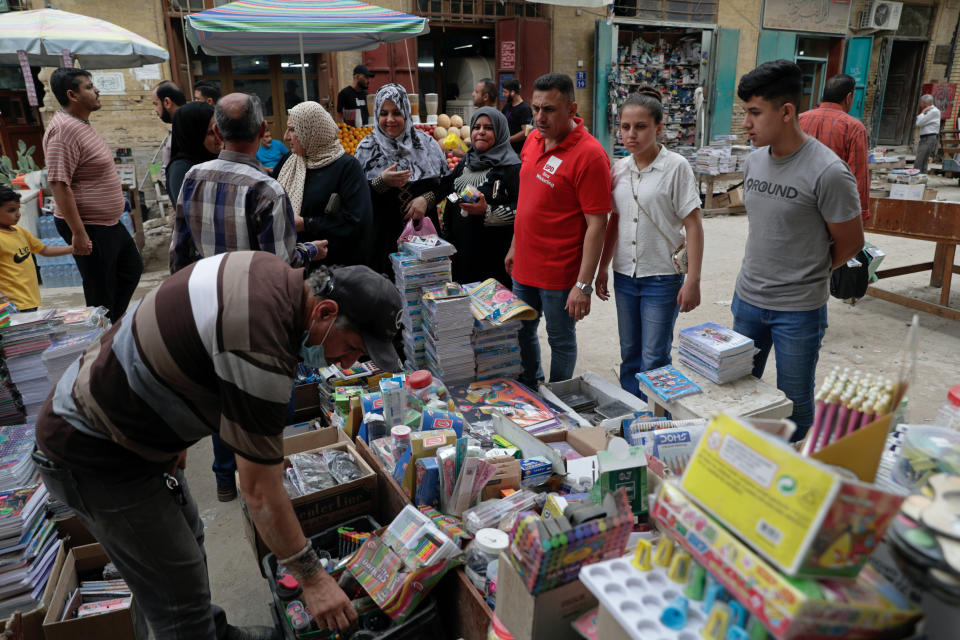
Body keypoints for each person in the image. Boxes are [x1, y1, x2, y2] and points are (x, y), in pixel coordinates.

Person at [35, 250, 404, 640]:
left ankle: (213, 633)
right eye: (352, 349)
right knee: (175, 595)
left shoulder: (275, 276)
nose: (347, 366)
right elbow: (260, 492)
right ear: (325, 313)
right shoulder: (262, 344)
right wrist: (312, 578)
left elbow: (189, 339)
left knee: (183, 554)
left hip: (128, 427)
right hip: (96, 452)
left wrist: (170, 432)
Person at [170, 93, 328, 502]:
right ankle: (264, 482)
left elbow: (179, 255)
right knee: (266, 402)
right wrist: (311, 251)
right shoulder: (267, 189)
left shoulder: (193, 177)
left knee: (221, 398)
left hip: (206, 307)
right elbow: (277, 272)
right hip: (254, 317)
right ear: (262, 132)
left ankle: (226, 480)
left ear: (217, 132)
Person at [734, 60, 864, 441]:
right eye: (746, 113)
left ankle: (785, 481)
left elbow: (852, 242)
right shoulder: (754, 161)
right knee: (739, 395)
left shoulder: (828, 172)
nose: (746, 124)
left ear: (787, 112)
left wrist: (808, 274)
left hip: (798, 311)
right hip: (747, 300)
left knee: (794, 407)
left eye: (755, 113)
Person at [596, 88, 704, 398]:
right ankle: (633, 409)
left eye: (640, 127)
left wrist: (693, 280)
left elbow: (693, 225)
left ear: (658, 128)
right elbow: (613, 221)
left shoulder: (676, 167)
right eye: (625, 127)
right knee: (630, 352)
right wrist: (602, 266)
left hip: (662, 277)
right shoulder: (619, 169)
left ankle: (655, 416)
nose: (631, 134)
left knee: (655, 355)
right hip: (625, 276)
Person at [504, 73, 610, 388]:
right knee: (521, 331)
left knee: (559, 338)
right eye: (536, 108)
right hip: (524, 266)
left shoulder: (590, 155)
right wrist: (514, 245)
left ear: (571, 108)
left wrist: (584, 285)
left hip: (559, 273)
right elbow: (526, 200)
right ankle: (533, 384)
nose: (539, 117)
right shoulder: (533, 140)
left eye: (549, 109)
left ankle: (560, 393)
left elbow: (597, 225)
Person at [43, 68, 143, 323]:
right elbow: (59, 184)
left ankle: (112, 325)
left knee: (130, 269)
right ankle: (100, 342)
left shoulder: (80, 124)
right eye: (88, 87)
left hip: (107, 223)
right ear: (72, 95)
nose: (96, 90)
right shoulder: (63, 131)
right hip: (88, 225)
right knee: (100, 290)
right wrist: (78, 233)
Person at [354, 83, 449, 276]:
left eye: (396, 112)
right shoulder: (366, 148)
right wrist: (381, 182)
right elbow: (355, 195)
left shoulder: (426, 144)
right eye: (384, 113)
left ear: (406, 112)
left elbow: (447, 183)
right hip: (383, 239)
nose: (390, 119)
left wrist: (427, 199)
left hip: (423, 237)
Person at [275, 101, 373, 268]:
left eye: (292, 129)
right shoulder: (289, 162)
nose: (285, 136)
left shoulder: (346, 167)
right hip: (295, 266)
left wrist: (306, 224)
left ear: (311, 132)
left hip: (335, 269)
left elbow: (356, 221)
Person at [440, 107, 520, 287]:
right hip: (461, 254)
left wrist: (488, 211)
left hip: (494, 257)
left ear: (500, 132)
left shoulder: (512, 168)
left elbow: (523, 210)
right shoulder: (466, 162)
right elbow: (452, 192)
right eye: (476, 127)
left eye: (489, 128)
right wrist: (454, 203)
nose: (481, 132)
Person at [798, 74, 870, 220]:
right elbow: (858, 176)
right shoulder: (854, 127)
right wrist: (861, 214)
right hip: (832, 207)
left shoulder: (799, 119)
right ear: (849, 97)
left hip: (797, 201)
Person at [0, 186, 76, 312]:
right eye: (11, 210)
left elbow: (44, 250)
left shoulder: (19, 231)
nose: (18, 214)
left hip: (30, 299)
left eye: (18, 209)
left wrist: (72, 249)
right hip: (13, 305)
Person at [166, 102, 219, 209]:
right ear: (194, 135)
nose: (219, 136)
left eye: (218, 129)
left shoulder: (213, 159)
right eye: (210, 133)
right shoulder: (181, 170)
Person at [153, 81, 187, 172]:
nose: (155, 110)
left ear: (167, 102)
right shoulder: (177, 127)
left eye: (156, 104)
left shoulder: (187, 129)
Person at [501, 79, 532, 155]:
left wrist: (508, 140)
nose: (503, 94)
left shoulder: (525, 109)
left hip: (517, 152)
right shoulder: (507, 106)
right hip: (506, 150)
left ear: (513, 92)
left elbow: (526, 132)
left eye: (505, 92)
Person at [914, 94, 941, 174]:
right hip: (926, 138)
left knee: (920, 160)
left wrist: (922, 112)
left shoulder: (933, 111)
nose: (920, 104)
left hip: (929, 138)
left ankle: (916, 179)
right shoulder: (930, 111)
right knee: (923, 160)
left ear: (925, 103)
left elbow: (919, 123)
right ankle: (921, 180)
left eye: (921, 102)